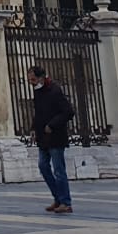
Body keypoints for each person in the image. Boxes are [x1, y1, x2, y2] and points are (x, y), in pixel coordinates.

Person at [29, 65, 76, 214]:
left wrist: (52, 124)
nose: (31, 82)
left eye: (33, 79)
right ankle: (58, 198)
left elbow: (68, 112)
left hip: (56, 136)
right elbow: (38, 112)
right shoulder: (37, 91)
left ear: (42, 77)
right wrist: (33, 128)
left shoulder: (55, 91)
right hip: (43, 137)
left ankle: (66, 202)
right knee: (43, 166)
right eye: (30, 79)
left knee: (59, 170)